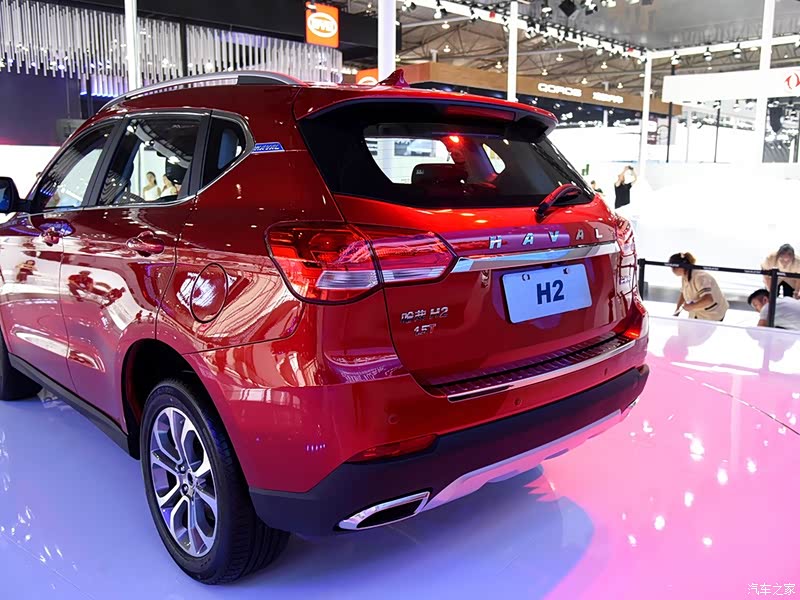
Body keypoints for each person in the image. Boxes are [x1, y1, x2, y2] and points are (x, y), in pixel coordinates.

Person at [670, 252, 729, 322]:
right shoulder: (684, 276)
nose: (672, 270)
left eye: (674, 267)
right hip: (697, 311)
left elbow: (708, 299)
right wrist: (677, 310)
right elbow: (684, 293)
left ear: (683, 266)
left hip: (712, 313)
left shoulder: (700, 277)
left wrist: (690, 306)